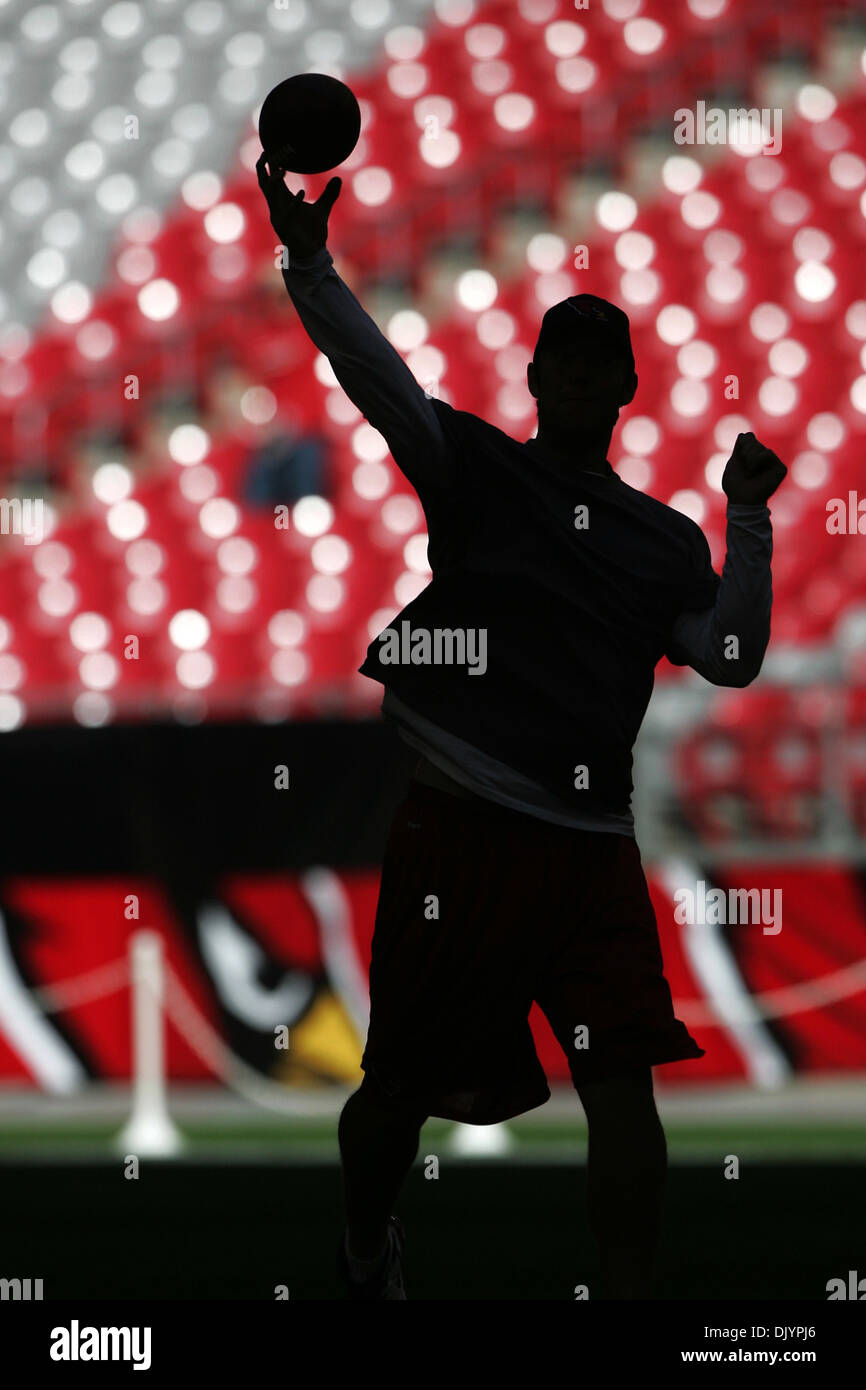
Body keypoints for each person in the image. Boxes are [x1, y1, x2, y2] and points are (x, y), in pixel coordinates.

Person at [256, 155, 787, 1301]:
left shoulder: (658, 539)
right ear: (540, 373)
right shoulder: (479, 469)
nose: (587, 374)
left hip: (585, 844)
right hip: (466, 830)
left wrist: (746, 520)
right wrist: (307, 261)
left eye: (606, 360)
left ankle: (624, 1294)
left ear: (624, 388)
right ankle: (363, 1254)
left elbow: (730, 658)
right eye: (573, 355)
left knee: (620, 1095)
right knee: (394, 1089)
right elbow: (375, 375)